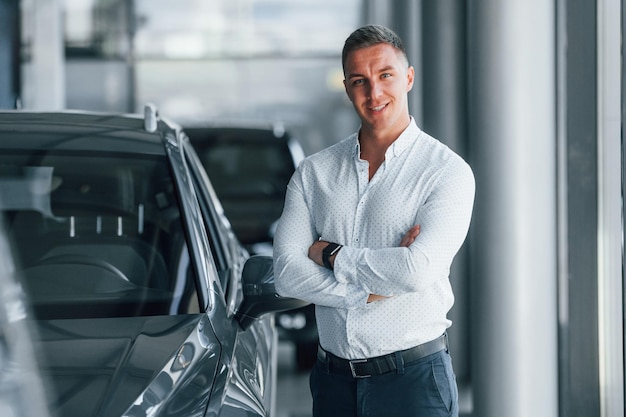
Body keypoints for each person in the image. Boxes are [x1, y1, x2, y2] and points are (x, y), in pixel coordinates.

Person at [273, 24, 475, 417]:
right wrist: (370, 289)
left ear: (409, 77)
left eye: (386, 76)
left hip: (413, 384)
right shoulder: (314, 173)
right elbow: (286, 273)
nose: (374, 93)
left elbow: (416, 270)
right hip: (332, 384)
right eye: (360, 81)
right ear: (348, 88)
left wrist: (329, 254)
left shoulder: (446, 172)